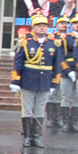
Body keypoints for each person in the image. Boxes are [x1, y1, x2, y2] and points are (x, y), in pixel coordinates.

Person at [13, 13, 59, 147]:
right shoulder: (26, 43)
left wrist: (54, 83)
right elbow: (18, 63)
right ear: (33, 28)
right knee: (27, 110)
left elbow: (56, 65)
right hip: (28, 80)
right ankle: (27, 137)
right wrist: (15, 81)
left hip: (45, 81)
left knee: (39, 110)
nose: (42, 28)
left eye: (45, 26)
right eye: (39, 26)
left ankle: (36, 137)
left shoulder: (53, 43)